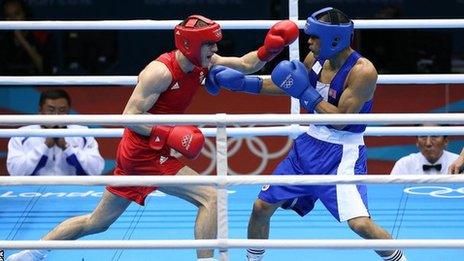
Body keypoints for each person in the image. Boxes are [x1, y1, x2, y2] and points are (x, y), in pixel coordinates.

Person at [7, 14, 299, 261]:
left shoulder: (202, 61)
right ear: (192, 44)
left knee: (96, 223)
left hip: (152, 148)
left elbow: (247, 65)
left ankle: (32, 253)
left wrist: (269, 49)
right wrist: (170, 133)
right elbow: (129, 117)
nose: (215, 48)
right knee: (211, 196)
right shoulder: (159, 72)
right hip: (142, 151)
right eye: (210, 43)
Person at [205, 7, 407, 261]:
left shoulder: (363, 72)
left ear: (335, 39)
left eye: (314, 37)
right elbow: (289, 83)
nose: (308, 42)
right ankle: (252, 259)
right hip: (308, 145)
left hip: (341, 153)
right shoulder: (317, 59)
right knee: (261, 207)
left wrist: (306, 94)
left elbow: (341, 121)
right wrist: (243, 84)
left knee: (360, 225)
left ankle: (400, 258)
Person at [6, 89, 105, 176]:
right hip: (31, 192)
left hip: (73, 191)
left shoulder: (82, 133)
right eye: (51, 110)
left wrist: (67, 148)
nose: (56, 115)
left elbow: (96, 170)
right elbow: (15, 172)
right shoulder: (21, 135)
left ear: (68, 111)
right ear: (40, 110)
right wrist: (44, 146)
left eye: (62, 110)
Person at [0, 0, 53, 75]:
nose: (13, 19)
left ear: (25, 14)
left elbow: (45, 70)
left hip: (34, 84)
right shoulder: (3, 40)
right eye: (8, 16)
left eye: (17, 14)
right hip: (8, 85)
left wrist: (22, 40)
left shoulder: (40, 37)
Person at [391, 129, 459, 175]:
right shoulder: (403, 164)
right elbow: (392, 192)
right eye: (423, 136)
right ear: (417, 142)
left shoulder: (458, 162)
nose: (428, 143)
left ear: (446, 141)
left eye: (434, 136)